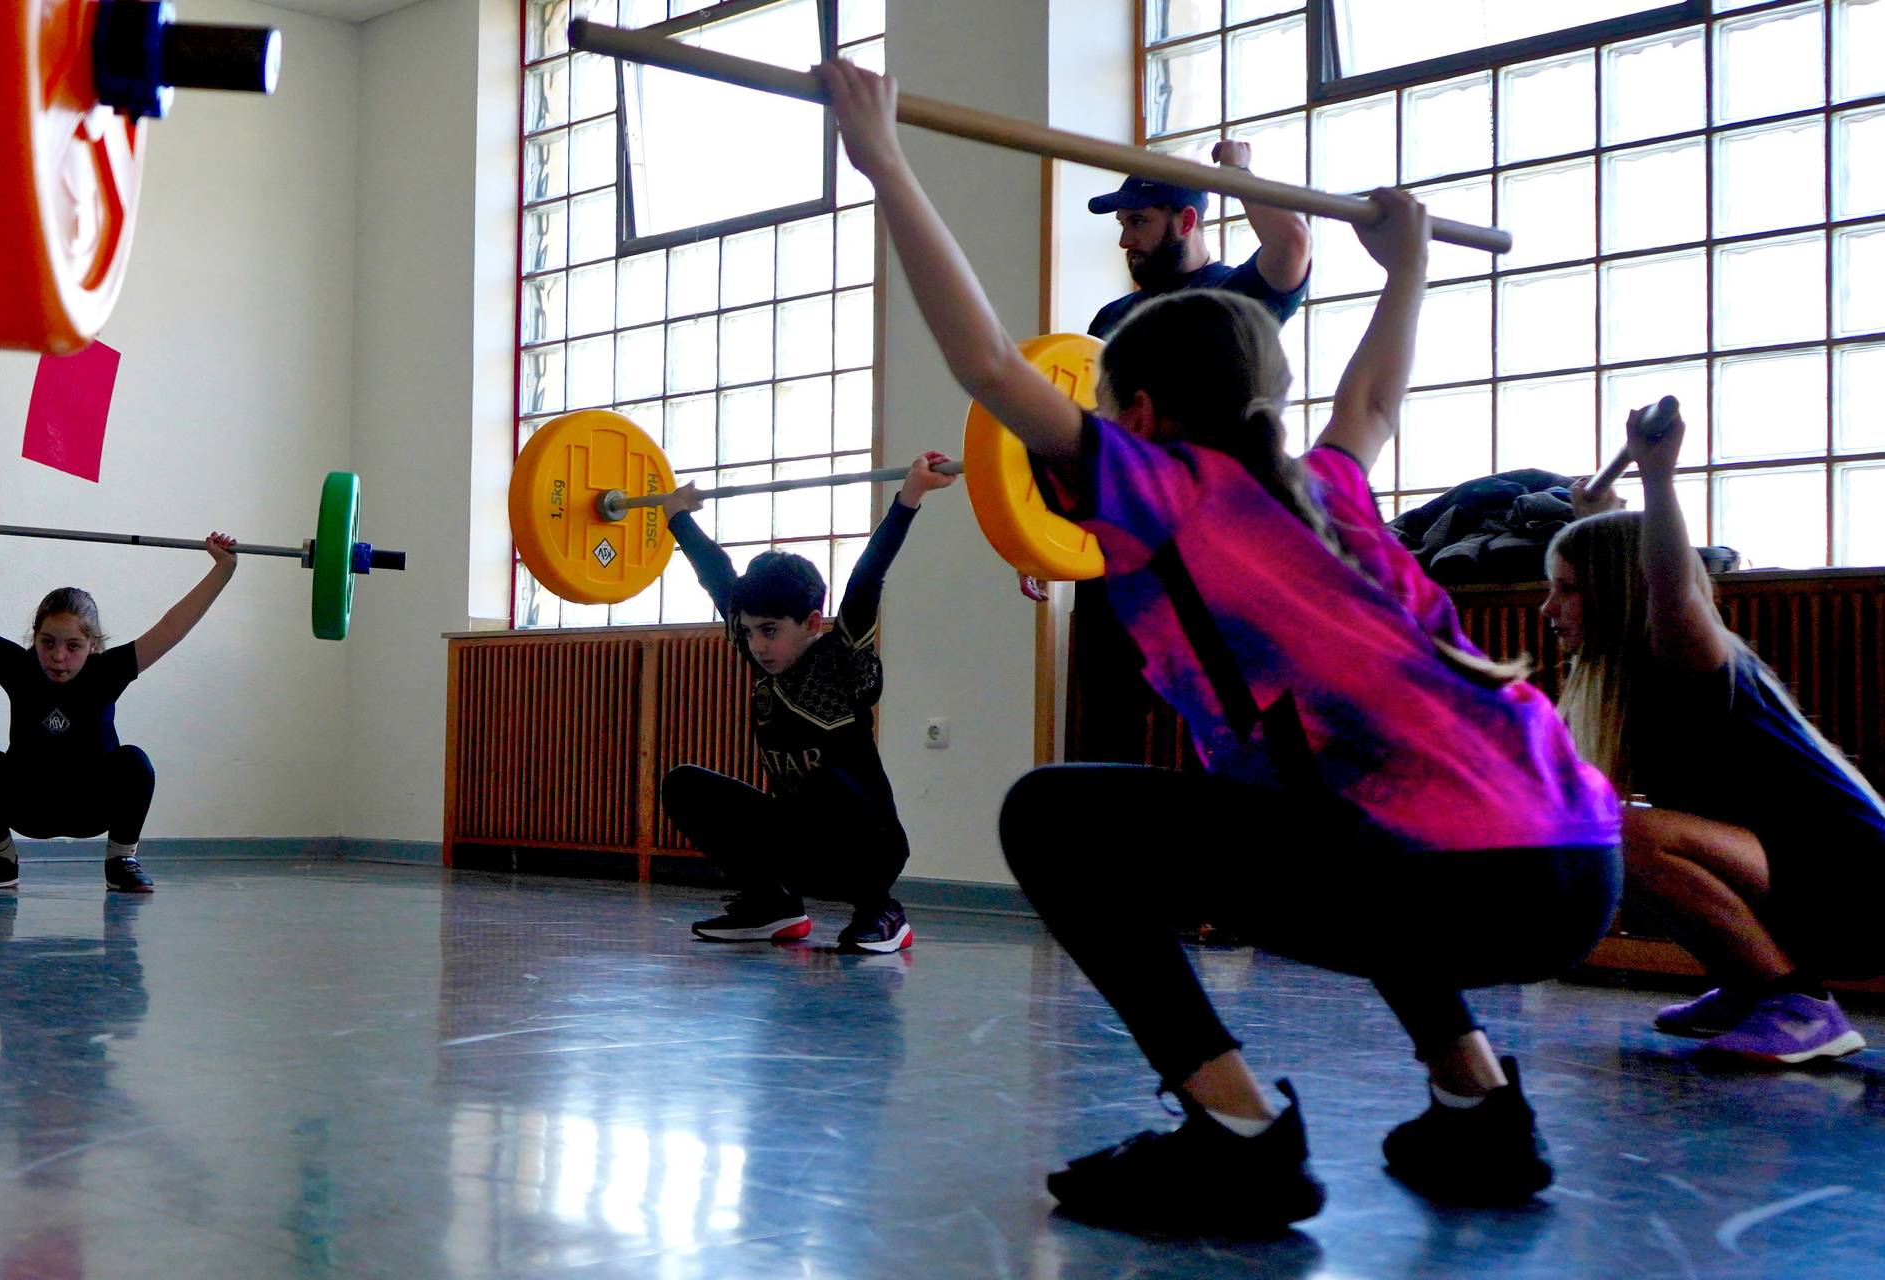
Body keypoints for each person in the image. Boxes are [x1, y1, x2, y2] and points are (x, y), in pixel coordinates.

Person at [823, 60, 1623, 1232]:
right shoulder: (1330, 491)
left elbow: (988, 365)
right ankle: (1478, 1108)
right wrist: (1407, 269)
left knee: (1049, 815)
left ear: (1134, 413)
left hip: (1445, 880)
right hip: (1576, 865)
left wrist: (883, 159)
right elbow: (1375, 399)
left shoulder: (1152, 484)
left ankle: (1236, 1131)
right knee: (1348, 801)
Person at [1545, 400, 1884, 1065]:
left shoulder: (1684, 651)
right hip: (1813, 885)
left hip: (1860, 892)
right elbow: (1631, 566)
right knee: (1613, 825)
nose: (1547, 608)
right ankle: (1753, 987)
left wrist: (1658, 478)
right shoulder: (1637, 670)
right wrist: (1598, 521)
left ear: (1615, 594)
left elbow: (1671, 587)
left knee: (1618, 829)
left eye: (1566, 589)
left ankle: (1794, 1008)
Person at [659, 451, 954, 955]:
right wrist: (676, 517)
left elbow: (867, 579)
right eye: (749, 631)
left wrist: (912, 495)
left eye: (769, 631)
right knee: (684, 785)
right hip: (801, 846)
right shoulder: (762, 656)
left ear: (812, 623)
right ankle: (774, 905)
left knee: (830, 788)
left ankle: (881, 910)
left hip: (867, 850)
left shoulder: (839, 663)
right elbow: (717, 575)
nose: (756, 645)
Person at [0, 510, 237, 894]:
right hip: (30, 806)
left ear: (93, 645)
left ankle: (121, 859)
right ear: (35, 637)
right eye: (48, 643)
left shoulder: (107, 672)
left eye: (73, 646)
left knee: (135, 764)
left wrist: (222, 571)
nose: (58, 656)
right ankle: (0, 860)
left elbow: (173, 625)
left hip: (91, 806)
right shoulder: (18, 667)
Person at [1085, 140, 1311, 340]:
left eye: (1138, 221)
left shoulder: (1237, 296)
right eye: (1122, 224)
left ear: (1185, 222)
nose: (1124, 241)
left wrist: (1238, 173)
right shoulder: (1111, 316)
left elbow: (1293, 241)